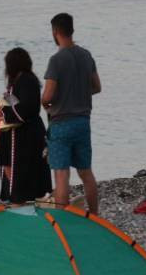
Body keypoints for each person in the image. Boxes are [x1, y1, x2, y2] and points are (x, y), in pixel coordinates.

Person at [41, 13, 102, 213]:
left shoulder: (56, 60)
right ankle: (94, 215)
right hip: (83, 121)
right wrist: (79, 93)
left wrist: (46, 103)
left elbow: (47, 95)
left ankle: (62, 219)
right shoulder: (86, 55)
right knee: (86, 172)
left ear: (55, 32)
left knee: (61, 175)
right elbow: (97, 87)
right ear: (72, 30)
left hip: (61, 123)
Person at [0, 47, 52, 203]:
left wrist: (4, 111)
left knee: (23, 169)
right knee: (8, 164)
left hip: (26, 135)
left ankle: (21, 198)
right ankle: (16, 196)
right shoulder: (20, 81)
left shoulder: (26, 80)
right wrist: (4, 104)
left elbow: (28, 109)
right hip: (18, 132)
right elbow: (19, 104)